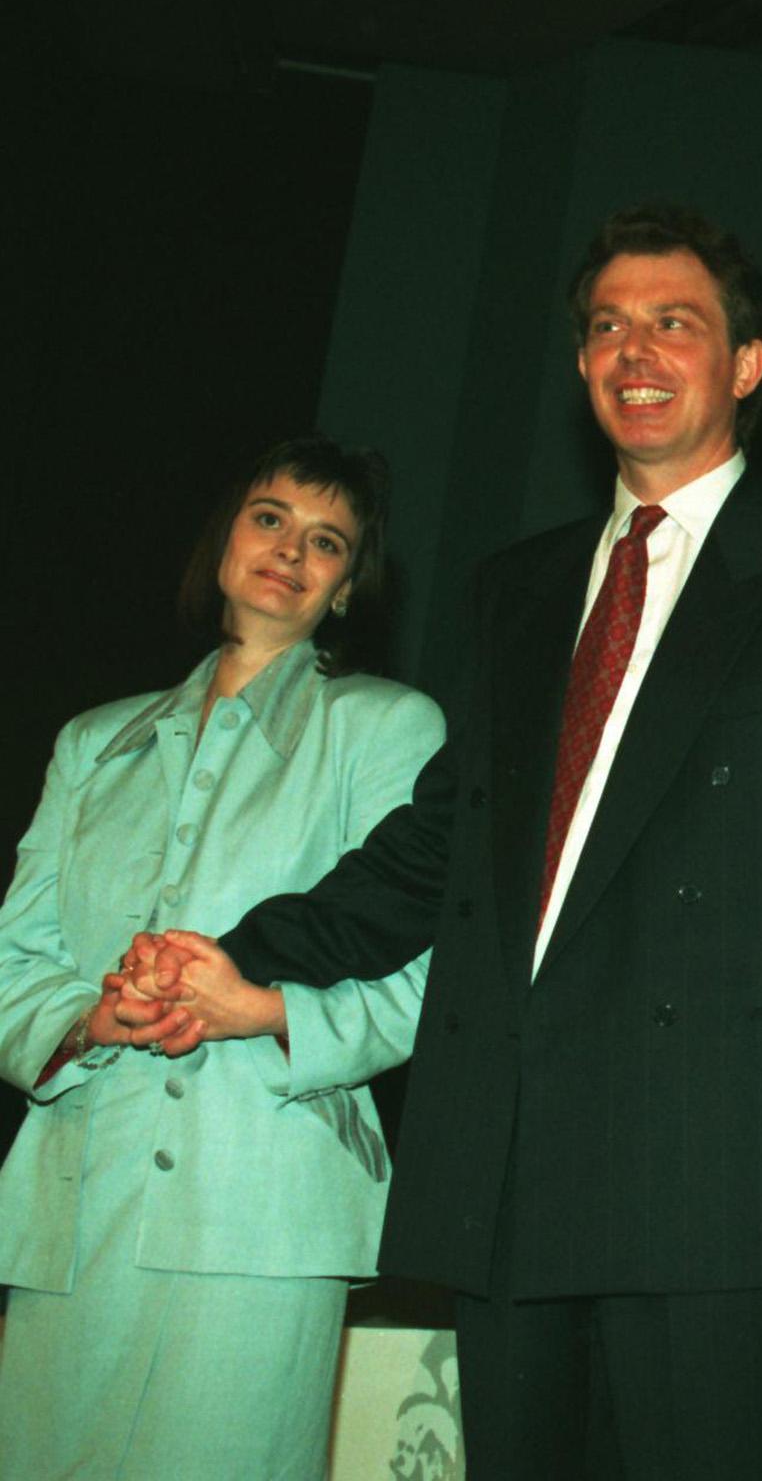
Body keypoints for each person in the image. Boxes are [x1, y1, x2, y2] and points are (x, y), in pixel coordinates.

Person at [123, 203, 762, 1479]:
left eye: (673, 323)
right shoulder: (520, 589)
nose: (632, 351)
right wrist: (241, 955)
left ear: (745, 366)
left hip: (726, 1173)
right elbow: (444, 844)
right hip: (518, 1169)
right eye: (605, 327)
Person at [0, 438, 440, 1477]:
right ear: (223, 541)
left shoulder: (385, 728)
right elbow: (15, 959)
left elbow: (431, 977)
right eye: (270, 518)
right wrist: (95, 1016)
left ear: (345, 588)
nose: (292, 550)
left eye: (326, 540)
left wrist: (266, 1010)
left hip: (263, 1202)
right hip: (72, 1203)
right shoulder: (92, 743)